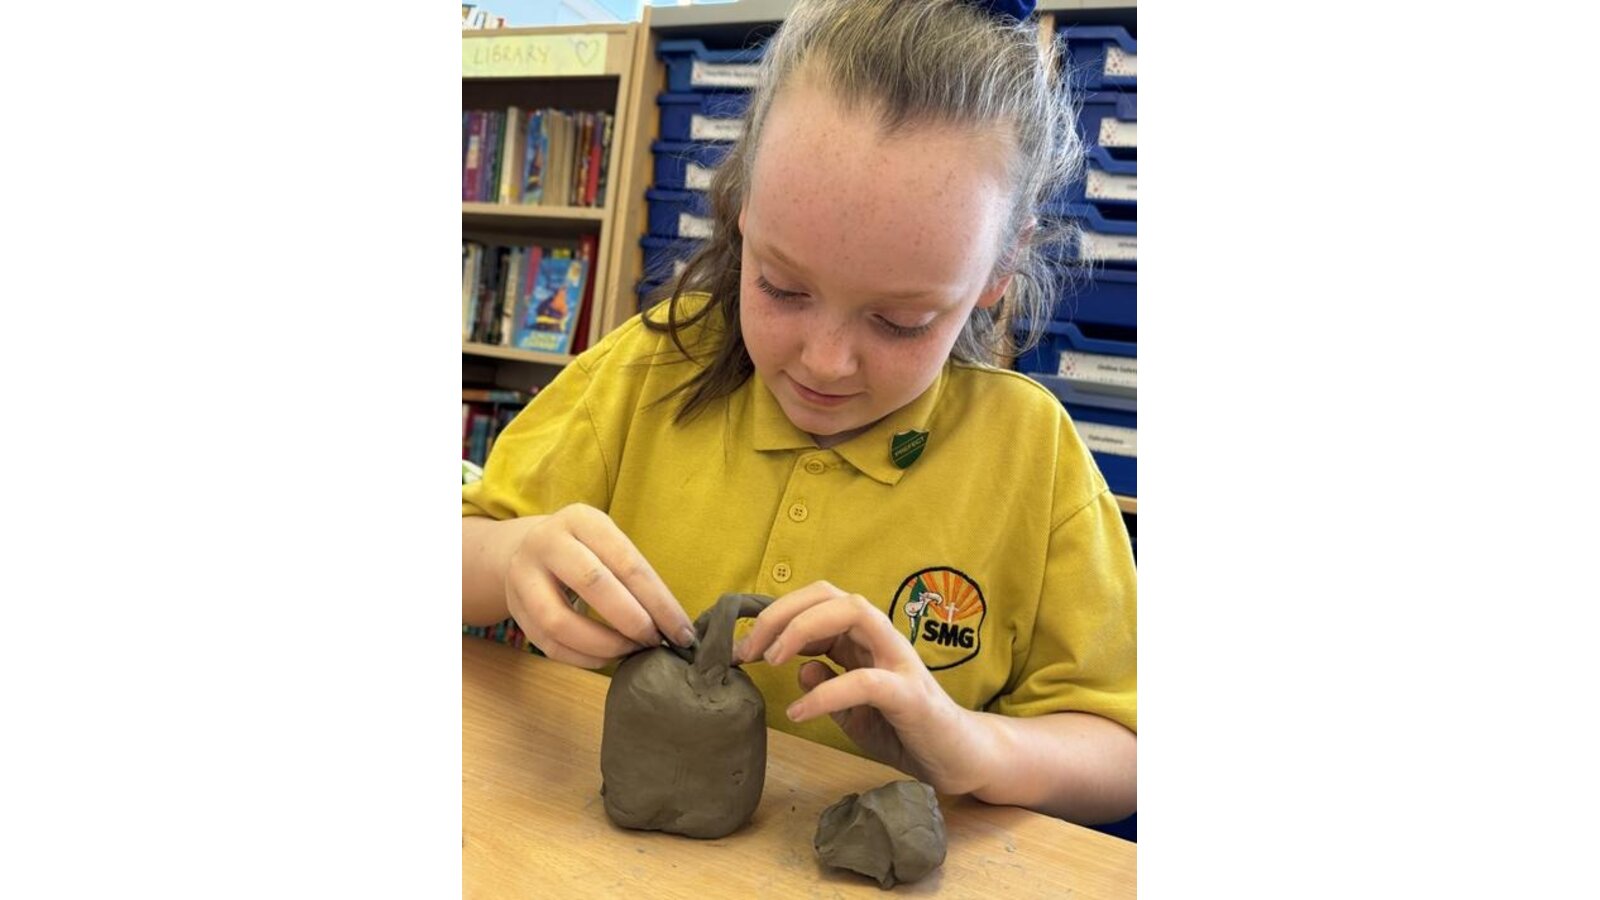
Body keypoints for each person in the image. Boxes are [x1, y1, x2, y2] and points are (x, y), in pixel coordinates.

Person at [462, 0, 1136, 825]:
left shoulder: (1032, 458)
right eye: (781, 287)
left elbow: (1125, 751)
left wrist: (976, 744)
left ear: (1001, 271)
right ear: (744, 206)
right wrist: (509, 557)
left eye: (900, 321)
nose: (824, 361)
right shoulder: (646, 372)